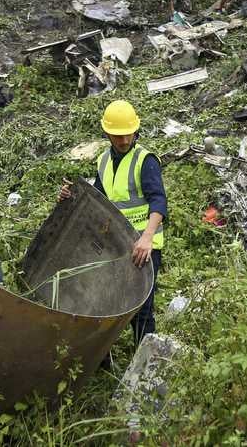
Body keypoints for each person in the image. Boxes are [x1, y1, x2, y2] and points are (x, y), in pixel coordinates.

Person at [59, 101, 166, 346]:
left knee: (141, 309)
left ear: (136, 130)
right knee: (110, 303)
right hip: (116, 246)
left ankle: (147, 362)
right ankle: (104, 361)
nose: (124, 140)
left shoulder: (145, 160)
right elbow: (98, 201)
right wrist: (70, 196)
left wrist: (147, 237)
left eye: (128, 133)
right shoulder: (104, 162)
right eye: (118, 135)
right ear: (107, 133)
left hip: (144, 246)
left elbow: (159, 201)